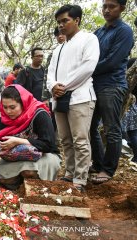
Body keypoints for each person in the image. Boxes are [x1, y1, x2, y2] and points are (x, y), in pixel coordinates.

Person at [47, 4, 99, 192]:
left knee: (80, 140)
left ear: (76, 20)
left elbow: (88, 67)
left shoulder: (89, 39)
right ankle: (69, 173)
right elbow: (50, 73)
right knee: (65, 140)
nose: (61, 25)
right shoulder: (59, 48)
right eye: (59, 22)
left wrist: (64, 87)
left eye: (65, 20)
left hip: (80, 97)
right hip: (60, 98)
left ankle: (80, 179)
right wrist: (53, 86)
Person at [90, 0, 134, 184]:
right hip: (93, 84)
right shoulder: (99, 32)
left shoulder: (124, 31)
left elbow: (113, 61)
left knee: (111, 129)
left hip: (112, 85)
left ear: (122, 8)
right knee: (90, 127)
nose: (106, 10)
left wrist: (87, 69)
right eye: (104, 6)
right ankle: (98, 163)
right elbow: (88, 55)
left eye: (112, 7)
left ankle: (108, 170)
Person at [0, 85, 60, 190]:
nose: (8, 111)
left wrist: (18, 141)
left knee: (30, 172)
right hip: (16, 157)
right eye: (5, 107)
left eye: (12, 107)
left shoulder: (40, 114)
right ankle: (20, 185)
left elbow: (48, 145)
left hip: (44, 155)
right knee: (3, 179)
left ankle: (34, 187)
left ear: (23, 103)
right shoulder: (5, 119)